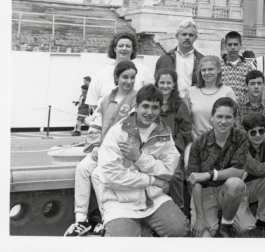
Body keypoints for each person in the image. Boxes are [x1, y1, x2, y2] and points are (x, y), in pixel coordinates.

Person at [94, 84, 189, 237]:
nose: (149, 112)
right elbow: (110, 177)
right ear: (136, 106)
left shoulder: (164, 134)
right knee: (125, 245)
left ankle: (144, 229)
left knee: (179, 230)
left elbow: (168, 171)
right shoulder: (117, 133)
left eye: (155, 107)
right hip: (119, 201)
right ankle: (140, 231)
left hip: (154, 198)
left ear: (160, 109)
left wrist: (139, 158)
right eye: (145, 106)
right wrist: (152, 180)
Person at [64, 60, 139, 236]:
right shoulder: (106, 99)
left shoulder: (137, 98)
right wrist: (96, 145)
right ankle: (81, 220)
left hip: (120, 153)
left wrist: (109, 150)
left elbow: (131, 129)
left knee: (99, 175)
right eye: (125, 77)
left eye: (132, 77)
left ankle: (107, 219)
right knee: (82, 168)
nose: (129, 81)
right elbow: (96, 124)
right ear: (117, 78)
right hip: (102, 149)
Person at [186, 97, 252, 237]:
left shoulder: (241, 137)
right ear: (212, 118)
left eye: (228, 117)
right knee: (205, 235)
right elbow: (195, 180)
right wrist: (200, 218)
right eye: (219, 116)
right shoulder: (198, 143)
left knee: (245, 227)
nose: (223, 121)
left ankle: (226, 225)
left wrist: (209, 174)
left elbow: (238, 171)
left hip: (228, 189)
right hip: (204, 191)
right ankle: (213, 215)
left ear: (234, 119)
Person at [155, 68, 192, 209]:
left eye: (168, 82)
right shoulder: (153, 103)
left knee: (175, 175)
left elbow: (186, 129)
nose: (165, 86)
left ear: (174, 84)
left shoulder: (180, 105)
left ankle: (179, 207)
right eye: (162, 82)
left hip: (173, 149)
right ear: (157, 83)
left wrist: (175, 147)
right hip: (153, 148)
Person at [85, 33, 154, 110]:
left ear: (132, 49)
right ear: (114, 48)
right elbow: (92, 104)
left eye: (128, 46)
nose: (124, 49)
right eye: (120, 46)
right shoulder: (101, 73)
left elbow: (152, 98)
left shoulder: (144, 71)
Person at [186, 56, 236, 140]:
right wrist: (195, 138)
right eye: (204, 70)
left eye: (211, 69)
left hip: (221, 142)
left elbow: (232, 120)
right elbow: (186, 120)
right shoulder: (191, 92)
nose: (207, 72)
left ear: (218, 70)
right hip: (197, 141)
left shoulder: (227, 92)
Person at [155, 19, 204, 99]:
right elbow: (157, 83)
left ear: (195, 38)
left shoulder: (202, 61)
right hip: (169, 103)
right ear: (177, 36)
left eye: (191, 35)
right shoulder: (165, 59)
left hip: (193, 102)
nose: (187, 37)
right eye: (184, 34)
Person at [236, 69, 265, 134]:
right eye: (252, 84)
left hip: (262, 141)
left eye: (259, 83)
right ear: (246, 86)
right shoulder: (237, 104)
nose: (256, 87)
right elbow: (236, 130)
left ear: (264, 86)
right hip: (241, 141)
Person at [220, 31, 255, 103]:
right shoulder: (218, 65)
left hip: (242, 108)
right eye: (230, 45)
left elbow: (251, 89)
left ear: (240, 46)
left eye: (235, 44)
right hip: (223, 107)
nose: (233, 47)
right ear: (225, 46)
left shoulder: (248, 67)